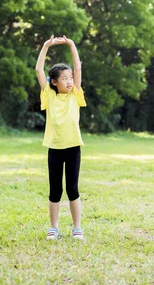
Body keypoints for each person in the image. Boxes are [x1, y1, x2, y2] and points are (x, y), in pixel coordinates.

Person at [35, 35, 86, 240]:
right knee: (55, 189)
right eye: (64, 78)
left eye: (70, 78)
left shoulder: (75, 94)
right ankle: (54, 228)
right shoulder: (49, 94)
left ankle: (77, 227)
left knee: (72, 188)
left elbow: (78, 68)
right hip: (55, 147)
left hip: (73, 147)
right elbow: (39, 70)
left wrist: (72, 45)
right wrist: (46, 46)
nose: (69, 81)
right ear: (54, 82)